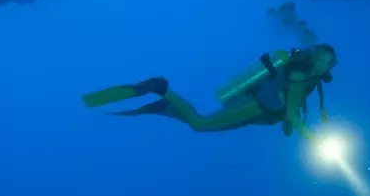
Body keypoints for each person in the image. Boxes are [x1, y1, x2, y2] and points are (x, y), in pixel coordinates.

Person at [82, 44, 338, 137]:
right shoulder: (298, 75)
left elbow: (291, 109)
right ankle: (160, 89)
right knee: (201, 124)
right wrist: (313, 138)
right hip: (251, 107)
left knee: (204, 123)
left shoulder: (311, 80)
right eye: (326, 60)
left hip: (255, 113)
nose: (329, 65)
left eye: (330, 61)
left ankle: (167, 108)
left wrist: (289, 124)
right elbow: (292, 111)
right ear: (315, 59)